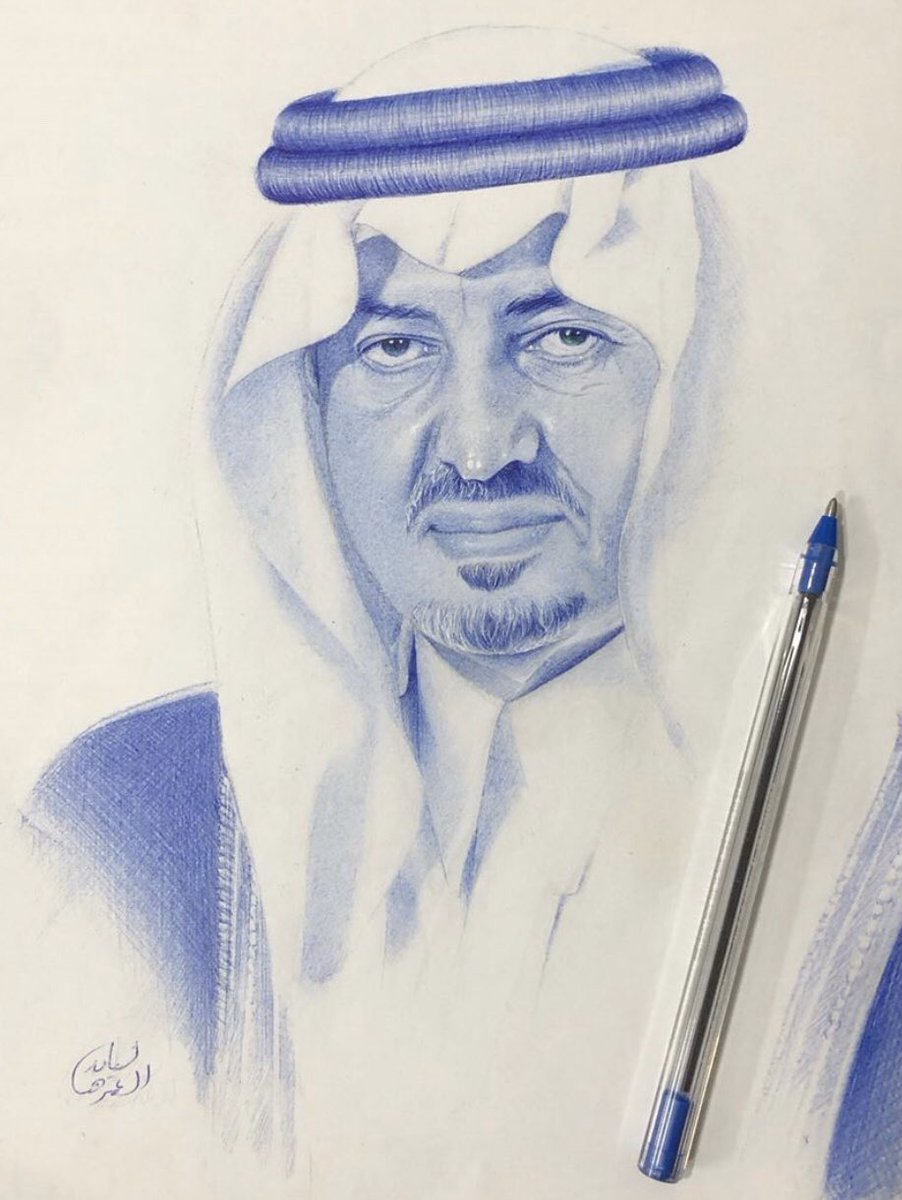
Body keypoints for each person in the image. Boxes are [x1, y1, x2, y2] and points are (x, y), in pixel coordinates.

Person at [23, 25, 749, 1194]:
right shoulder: (123, 821)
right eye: (396, 347)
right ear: (300, 407)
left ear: (690, 373)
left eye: (562, 338)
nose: (478, 449)